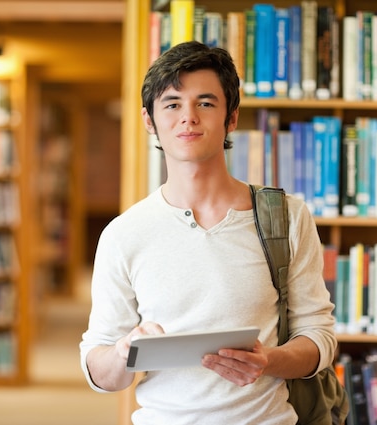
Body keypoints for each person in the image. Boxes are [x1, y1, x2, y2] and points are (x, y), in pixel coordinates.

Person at [79, 40, 336, 424]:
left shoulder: (287, 217)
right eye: (172, 104)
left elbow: (320, 337)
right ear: (150, 120)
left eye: (205, 103)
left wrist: (269, 361)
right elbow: (99, 371)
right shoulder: (123, 234)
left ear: (231, 118)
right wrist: (123, 351)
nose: (188, 117)